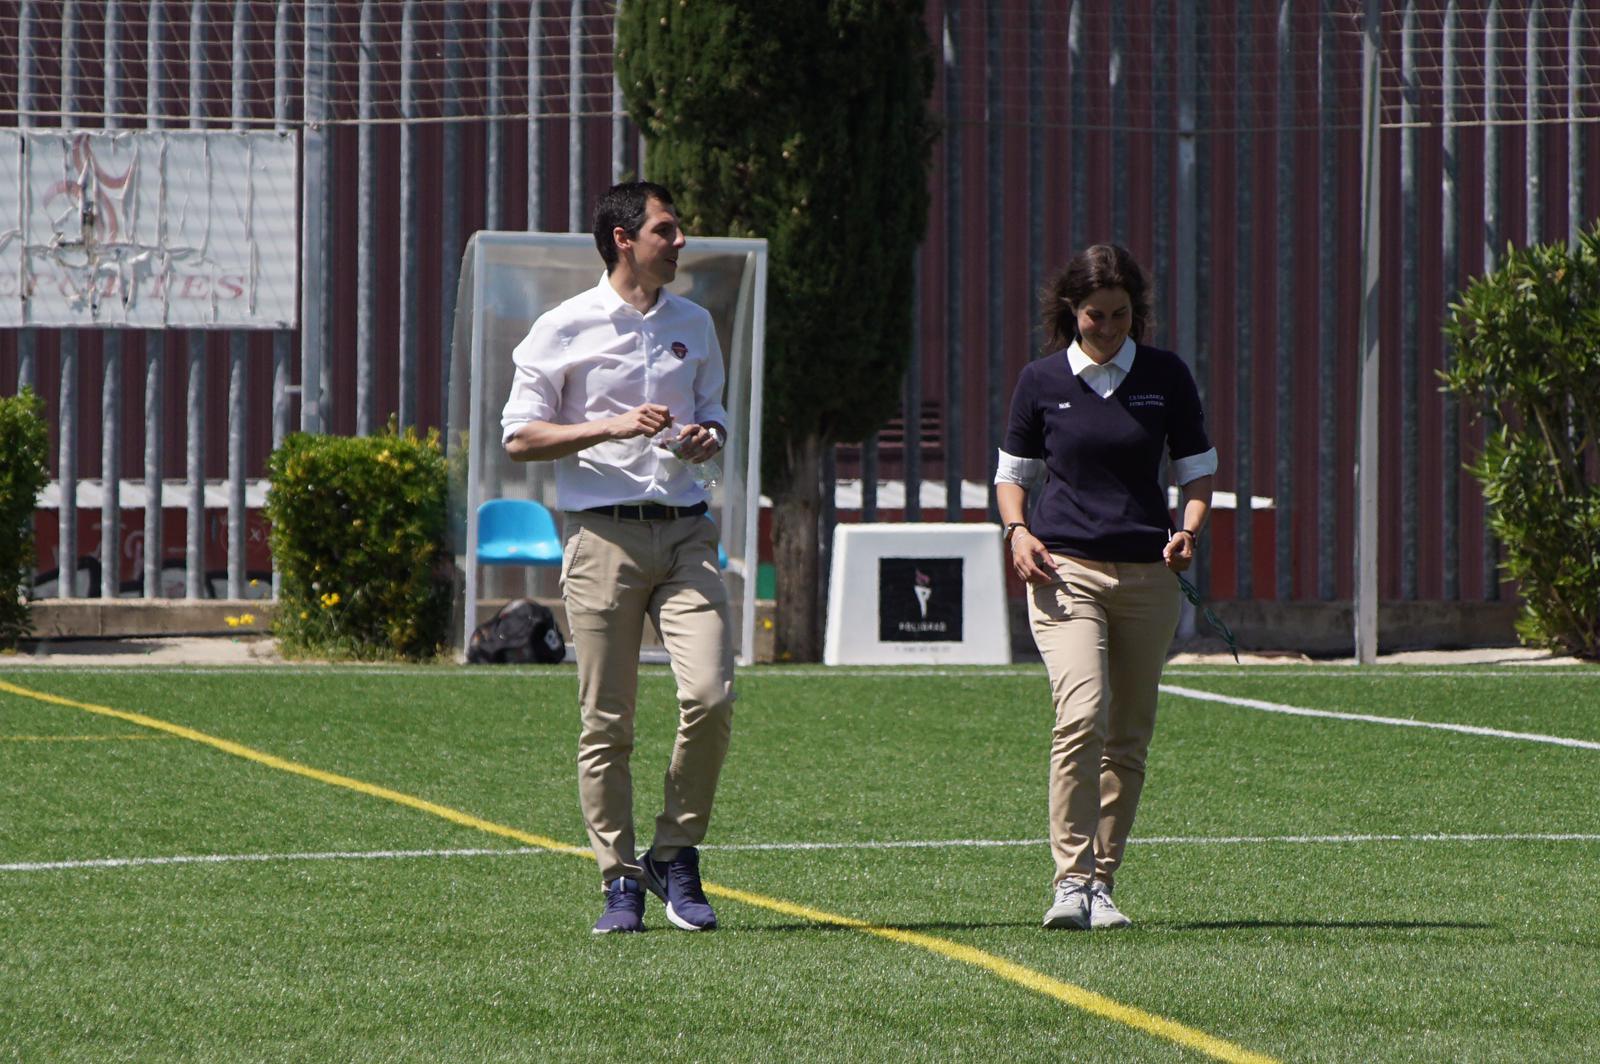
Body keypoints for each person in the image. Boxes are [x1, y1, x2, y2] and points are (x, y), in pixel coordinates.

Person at [501, 181, 734, 935]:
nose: (680, 241)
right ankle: (619, 879)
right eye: (667, 229)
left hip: (689, 530)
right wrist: (610, 426)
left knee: (710, 697)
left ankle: (676, 852)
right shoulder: (562, 325)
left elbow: (717, 413)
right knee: (607, 721)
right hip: (601, 537)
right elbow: (518, 436)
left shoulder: (695, 323)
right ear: (622, 239)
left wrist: (708, 436)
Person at [994, 244, 1216, 931]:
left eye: (1122, 315)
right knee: (1081, 714)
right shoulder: (1039, 380)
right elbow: (1012, 477)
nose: (1110, 327)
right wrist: (1016, 532)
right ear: (1071, 310)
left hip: (1149, 578)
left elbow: (1197, 469)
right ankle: (1068, 882)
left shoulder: (1165, 376)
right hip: (1065, 573)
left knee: (1129, 735)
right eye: (1096, 315)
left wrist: (1190, 530)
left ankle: (1102, 886)